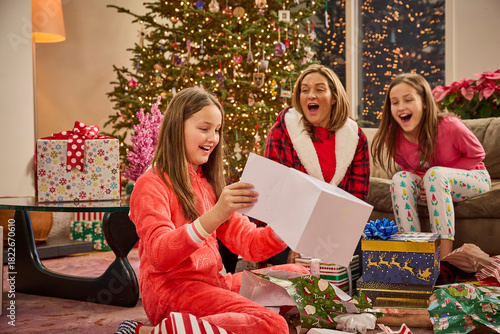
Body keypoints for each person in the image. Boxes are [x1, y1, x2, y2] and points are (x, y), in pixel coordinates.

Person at [115, 87, 309, 334]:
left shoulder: (208, 184)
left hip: (216, 284)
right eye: (204, 129)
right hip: (173, 293)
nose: (213, 138)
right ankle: (146, 332)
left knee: (303, 279)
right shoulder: (151, 184)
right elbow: (159, 254)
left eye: (217, 130)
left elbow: (250, 243)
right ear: (177, 128)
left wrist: (286, 227)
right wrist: (217, 213)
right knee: (271, 325)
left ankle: (225, 321)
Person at [371, 73, 491, 259]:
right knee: (399, 178)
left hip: (474, 178)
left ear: (425, 103)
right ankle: (414, 257)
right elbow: (408, 168)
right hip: (434, 185)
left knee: (435, 175)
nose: (401, 107)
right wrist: (423, 183)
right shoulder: (392, 136)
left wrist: (433, 179)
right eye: (394, 102)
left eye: (408, 100)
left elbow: (477, 155)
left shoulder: (449, 126)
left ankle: (444, 261)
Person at [259, 63, 370, 265]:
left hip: (334, 228)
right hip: (286, 230)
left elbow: (356, 199)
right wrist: (296, 243)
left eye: (319, 89)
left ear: (334, 97)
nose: (311, 95)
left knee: (367, 250)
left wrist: (328, 238)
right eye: (305, 90)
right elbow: (274, 196)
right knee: (290, 265)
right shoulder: (282, 132)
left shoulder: (355, 137)